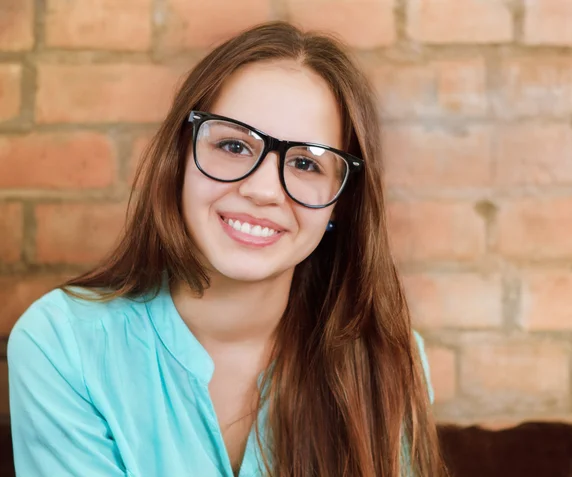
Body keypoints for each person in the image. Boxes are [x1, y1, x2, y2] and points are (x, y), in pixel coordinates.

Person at [8, 21, 448, 477]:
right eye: (234, 145)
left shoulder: (390, 358)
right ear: (178, 157)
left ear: (342, 199)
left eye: (305, 163)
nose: (262, 190)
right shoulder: (62, 344)